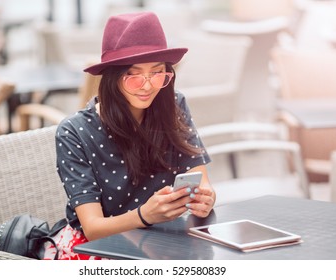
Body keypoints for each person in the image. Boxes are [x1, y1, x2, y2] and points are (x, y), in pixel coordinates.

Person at [45, 11, 215, 260]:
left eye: (157, 73)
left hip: (164, 241)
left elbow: (201, 180)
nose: (147, 85)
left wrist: (205, 198)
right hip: (98, 249)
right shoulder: (74, 132)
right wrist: (145, 215)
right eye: (134, 76)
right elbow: (93, 229)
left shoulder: (174, 106)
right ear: (112, 78)